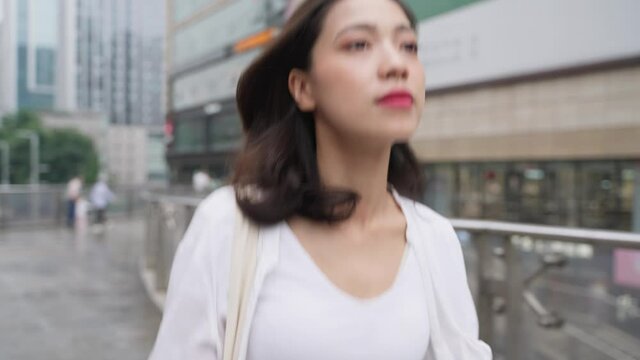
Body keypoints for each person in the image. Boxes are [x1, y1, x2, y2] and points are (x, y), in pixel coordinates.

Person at [150, 1, 492, 359]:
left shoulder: (435, 240)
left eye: (408, 46)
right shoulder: (228, 224)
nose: (396, 65)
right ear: (303, 88)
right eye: (359, 44)